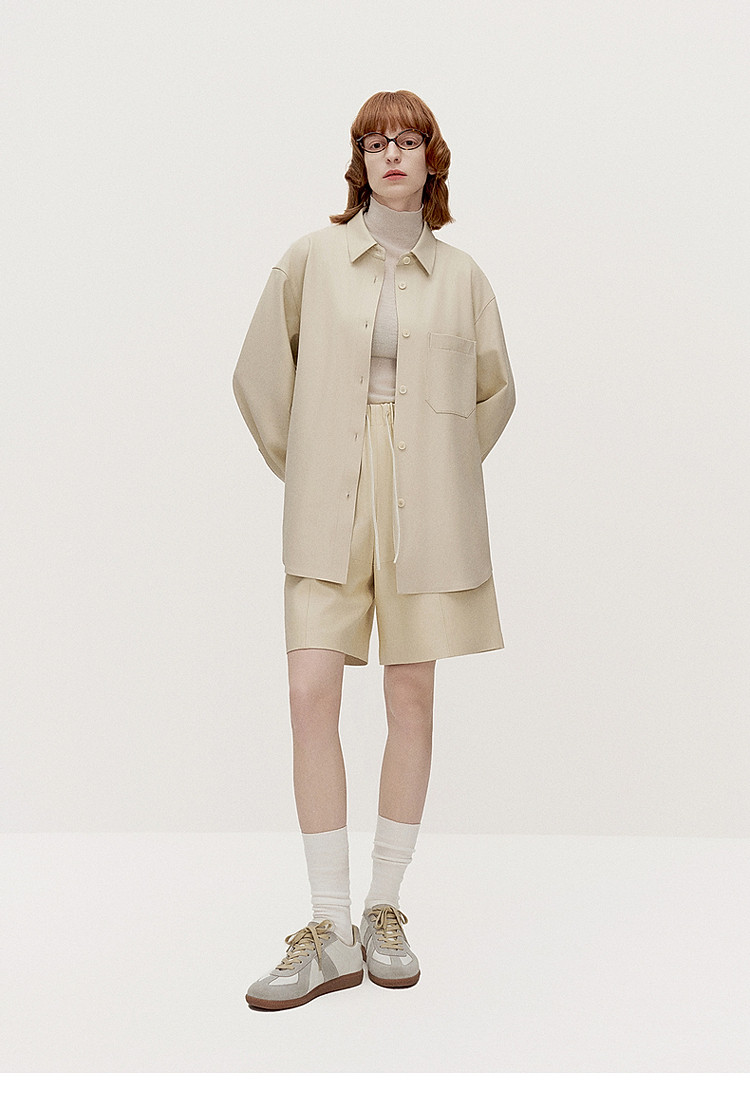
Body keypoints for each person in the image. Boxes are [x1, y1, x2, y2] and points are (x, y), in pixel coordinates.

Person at [233, 90, 516, 1010]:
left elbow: (496, 393)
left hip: (424, 511)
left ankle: (384, 907)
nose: (392, 154)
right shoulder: (311, 259)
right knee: (309, 691)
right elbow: (258, 374)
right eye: (374, 141)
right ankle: (328, 928)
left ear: (432, 158)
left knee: (410, 696)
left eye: (408, 140)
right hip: (330, 502)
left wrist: (438, 470)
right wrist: (310, 466)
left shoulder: (464, 277)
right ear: (359, 161)